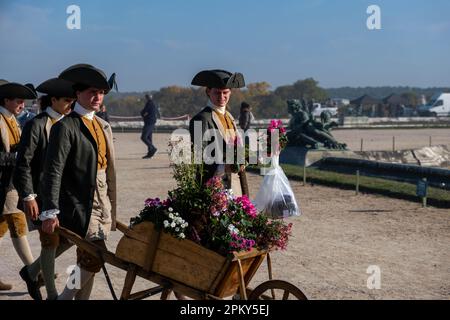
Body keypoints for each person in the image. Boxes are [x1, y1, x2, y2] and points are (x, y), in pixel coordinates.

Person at [39, 64, 117, 300]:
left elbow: (109, 170)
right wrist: (49, 210)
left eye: (101, 92)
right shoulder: (65, 126)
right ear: (78, 94)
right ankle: (64, 298)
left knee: (87, 259)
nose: (98, 97)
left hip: (103, 200)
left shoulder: (103, 125)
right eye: (92, 92)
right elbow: (53, 170)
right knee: (95, 256)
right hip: (80, 200)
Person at [14, 77, 76, 300]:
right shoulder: (36, 124)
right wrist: (28, 196)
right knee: (49, 242)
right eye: (68, 100)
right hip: (40, 196)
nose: (72, 104)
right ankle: (51, 294)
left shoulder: (71, 124)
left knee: (70, 238)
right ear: (54, 100)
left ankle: (31, 272)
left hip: (65, 197)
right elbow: (23, 164)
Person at [0, 80, 37, 292]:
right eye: (19, 101)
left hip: (11, 182)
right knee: (17, 221)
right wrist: (17, 157)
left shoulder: (12, 119)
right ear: (6, 100)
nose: (23, 105)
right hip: (4, 184)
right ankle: (34, 271)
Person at [189, 69, 249, 196]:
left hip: (235, 183)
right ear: (208, 92)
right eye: (217, 93)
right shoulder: (201, 118)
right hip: (214, 187)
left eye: (225, 92)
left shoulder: (229, 116)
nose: (221, 97)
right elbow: (199, 159)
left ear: (230, 92)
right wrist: (224, 166)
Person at [140, 94, 159, 159]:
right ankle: (150, 153)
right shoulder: (153, 103)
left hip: (149, 123)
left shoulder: (149, 103)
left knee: (143, 137)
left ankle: (153, 149)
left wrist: (142, 113)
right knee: (149, 138)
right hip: (151, 122)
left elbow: (143, 112)